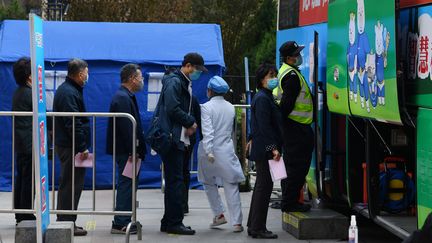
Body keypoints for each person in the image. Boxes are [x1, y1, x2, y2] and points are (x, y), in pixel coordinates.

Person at [158, 52, 207, 235]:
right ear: (187, 66)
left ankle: (168, 221)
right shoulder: (175, 82)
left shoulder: (182, 82)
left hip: (177, 138)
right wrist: (190, 121)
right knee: (175, 181)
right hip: (172, 139)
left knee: (174, 181)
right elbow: (172, 108)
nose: (198, 73)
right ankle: (174, 222)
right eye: (197, 69)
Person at [197, 76, 245, 233]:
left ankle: (219, 214)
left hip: (208, 152)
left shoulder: (205, 107)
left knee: (208, 183)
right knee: (231, 184)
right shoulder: (231, 107)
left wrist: (209, 151)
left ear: (210, 90)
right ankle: (237, 222)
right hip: (226, 151)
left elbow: (208, 132)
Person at [107, 64, 146, 234]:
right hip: (127, 151)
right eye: (140, 77)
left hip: (129, 150)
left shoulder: (126, 96)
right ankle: (120, 222)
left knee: (129, 184)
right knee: (126, 185)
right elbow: (126, 128)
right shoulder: (122, 98)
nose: (142, 80)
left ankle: (125, 218)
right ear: (132, 78)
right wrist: (133, 150)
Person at [53, 58, 90, 236]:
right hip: (71, 146)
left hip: (71, 145)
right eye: (86, 72)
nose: (87, 75)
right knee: (71, 185)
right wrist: (82, 146)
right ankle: (66, 222)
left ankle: (68, 221)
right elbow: (72, 122)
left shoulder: (70, 89)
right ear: (80, 73)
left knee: (74, 184)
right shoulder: (68, 92)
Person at [278, 41, 314, 213]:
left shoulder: (287, 72)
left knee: (291, 166)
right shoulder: (291, 76)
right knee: (297, 167)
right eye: (296, 54)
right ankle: (289, 202)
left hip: (293, 127)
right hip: (296, 128)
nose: (299, 56)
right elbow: (286, 105)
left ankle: (289, 200)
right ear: (288, 58)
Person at [247, 63, 282, 239]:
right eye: (270, 75)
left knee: (262, 187)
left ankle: (253, 225)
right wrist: (273, 149)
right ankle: (258, 228)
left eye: (274, 74)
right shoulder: (262, 98)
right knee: (264, 187)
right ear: (261, 80)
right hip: (265, 150)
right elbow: (264, 127)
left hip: (264, 148)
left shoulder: (265, 96)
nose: (274, 78)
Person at [12, 57, 36, 224]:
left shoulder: (19, 92)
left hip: (22, 143)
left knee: (22, 178)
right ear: (29, 76)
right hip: (29, 143)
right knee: (28, 180)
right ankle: (26, 213)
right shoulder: (29, 94)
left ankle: (21, 213)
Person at [182, 95, 201, 215]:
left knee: (182, 171)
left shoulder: (191, 98)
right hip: (182, 137)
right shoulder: (189, 97)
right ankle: (182, 205)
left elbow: (197, 118)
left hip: (188, 137)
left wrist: (192, 125)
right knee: (182, 171)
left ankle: (183, 205)